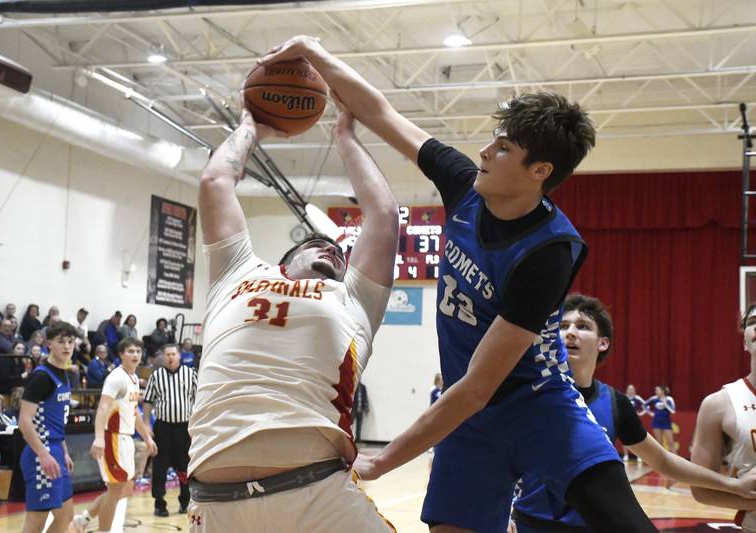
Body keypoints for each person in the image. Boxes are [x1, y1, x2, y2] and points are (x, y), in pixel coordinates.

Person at [260, 37, 655, 533]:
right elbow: (381, 112)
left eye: (504, 147)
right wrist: (312, 51)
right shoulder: (465, 185)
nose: (485, 151)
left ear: (540, 171)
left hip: (537, 405)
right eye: (494, 139)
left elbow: (476, 388)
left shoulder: (548, 253)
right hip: (468, 423)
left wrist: (381, 462)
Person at [185, 94, 399, 533]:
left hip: (318, 494)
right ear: (287, 257)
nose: (332, 251)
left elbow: (384, 215)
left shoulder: (353, 300)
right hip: (217, 505)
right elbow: (214, 181)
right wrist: (251, 126)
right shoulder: (237, 271)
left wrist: (345, 135)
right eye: (317, 244)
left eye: (341, 254)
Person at [511, 294, 756, 532]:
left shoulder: (615, 403)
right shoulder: (528, 392)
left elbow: (663, 460)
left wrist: (733, 485)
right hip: (529, 524)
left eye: (582, 326)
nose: (570, 332)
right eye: (563, 326)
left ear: (602, 342)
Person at [71, 337, 157, 533]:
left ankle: (82, 520)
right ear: (121, 354)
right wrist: (99, 437)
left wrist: (147, 437)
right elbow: (102, 408)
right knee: (115, 489)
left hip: (126, 439)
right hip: (113, 438)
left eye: (138, 351)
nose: (135, 355)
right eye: (130, 351)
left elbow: (134, 412)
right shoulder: (116, 377)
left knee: (124, 489)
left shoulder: (134, 378)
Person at [691, 302, 756, 530]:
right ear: (745, 342)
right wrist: (744, 495)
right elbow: (701, 490)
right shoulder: (718, 404)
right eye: (752, 322)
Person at [17, 321, 79, 532]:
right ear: (49, 344)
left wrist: (64, 452)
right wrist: (43, 454)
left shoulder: (65, 374)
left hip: (55, 450)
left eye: (70, 342)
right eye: (61, 342)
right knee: (36, 521)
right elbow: (24, 421)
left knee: (66, 517)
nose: (67, 346)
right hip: (39, 454)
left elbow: (55, 420)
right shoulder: (41, 376)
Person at [143, 343, 196, 516]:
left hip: (184, 428)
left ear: (179, 356)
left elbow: (198, 400)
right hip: (163, 428)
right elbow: (148, 401)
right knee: (160, 468)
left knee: (185, 467)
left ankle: (185, 500)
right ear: (163, 357)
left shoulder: (190, 374)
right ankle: (159, 503)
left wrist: (197, 425)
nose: (171, 357)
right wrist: (146, 424)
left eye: (173, 354)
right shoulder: (156, 376)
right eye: (167, 354)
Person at [646, 385, 676, 452]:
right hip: (656, 422)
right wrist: (650, 412)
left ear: (662, 391)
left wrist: (665, 404)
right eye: (655, 390)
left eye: (657, 390)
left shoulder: (669, 399)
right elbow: (644, 404)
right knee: (659, 443)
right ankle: (661, 461)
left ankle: (676, 460)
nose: (656, 391)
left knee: (670, 442)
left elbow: (673, 411)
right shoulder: (654, 398)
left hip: (666, 423)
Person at [624, 384, 647, 462]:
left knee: (638, 439)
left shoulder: (637, 398)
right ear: (627, 390)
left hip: (635, 421)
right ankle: (626, 455)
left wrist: (640, 413)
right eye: (629, 389)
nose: (630, 391)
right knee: (625, 438)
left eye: (632, 389)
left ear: (634, 391)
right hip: (625, 421)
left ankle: (639, 456)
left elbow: (646, 406)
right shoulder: (623, 397)